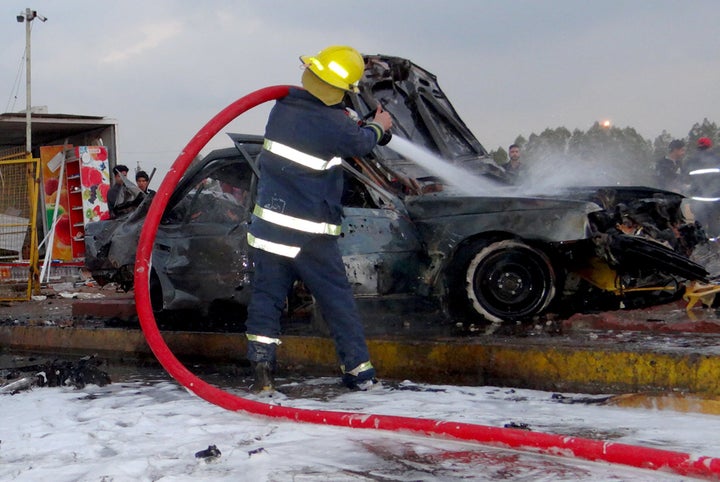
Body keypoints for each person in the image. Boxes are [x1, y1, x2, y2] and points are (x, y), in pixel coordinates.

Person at [244, 45, 392, 393]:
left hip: (268, 232)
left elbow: (327, 126)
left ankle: (262, 376)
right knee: (337, 304)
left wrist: (350, 119)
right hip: (310, 238)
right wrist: (379, 125)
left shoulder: (281, 108)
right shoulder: (335, 126)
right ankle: (360, 374)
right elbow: (360, 142)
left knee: (266, 302)